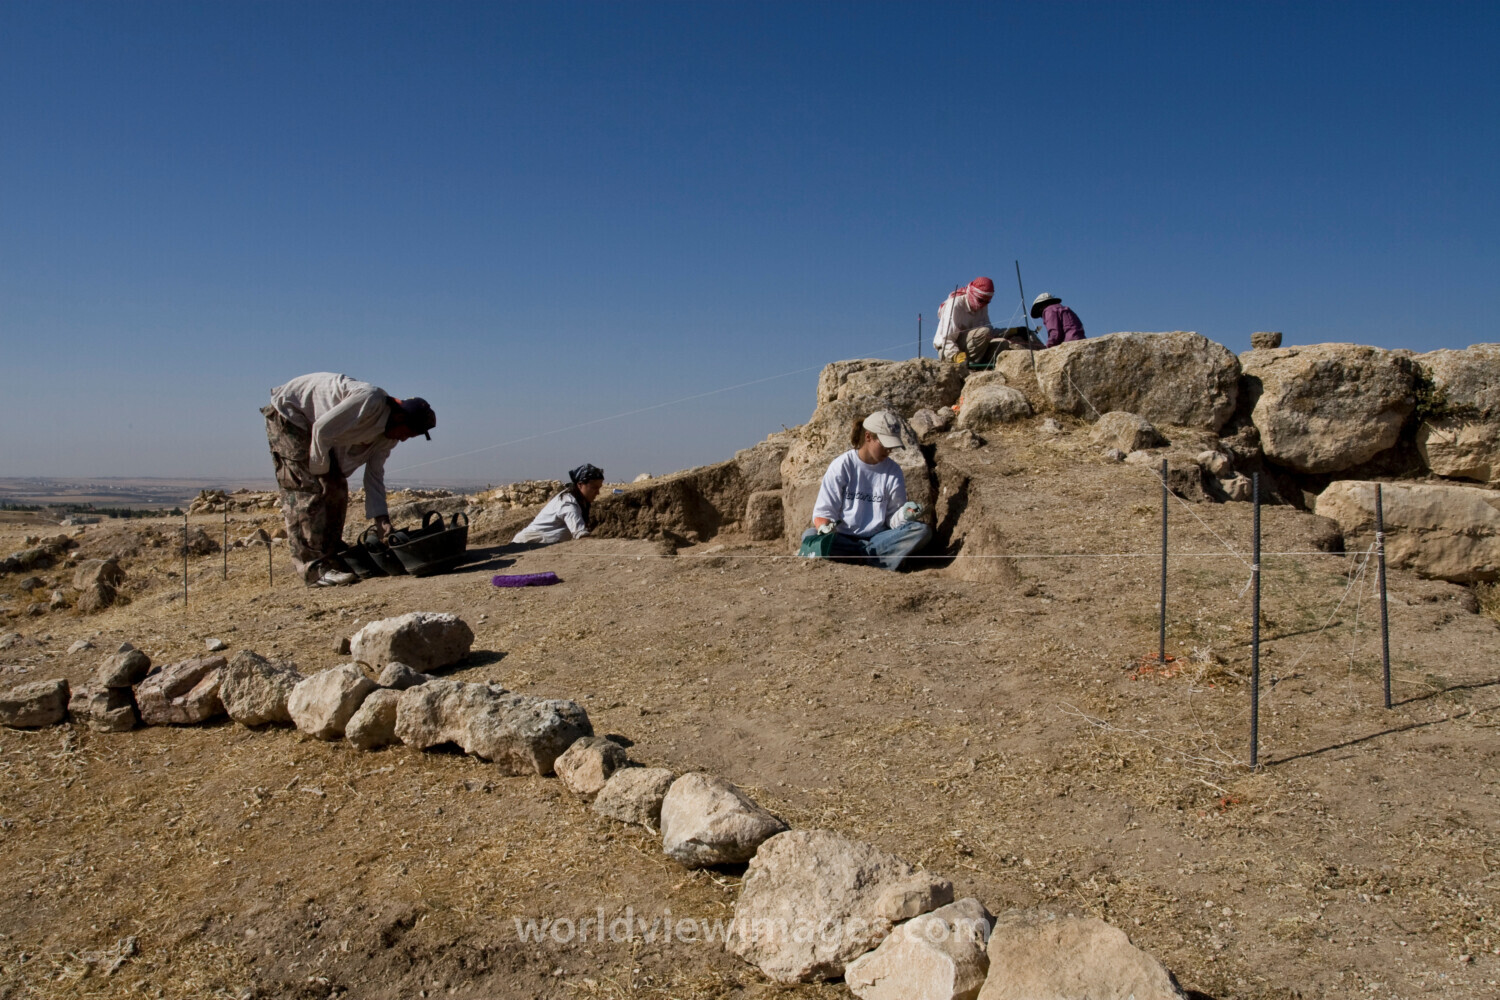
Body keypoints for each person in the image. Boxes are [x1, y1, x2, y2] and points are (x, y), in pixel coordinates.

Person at [262, 373, 435, 587]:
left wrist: (382, 522)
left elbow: (374, 477)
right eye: (407, 433)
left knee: (337, 488)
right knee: (307, 491)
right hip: (291, 413)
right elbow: (321, 429)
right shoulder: (369, 401)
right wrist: (322, 475)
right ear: (399, 418)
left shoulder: (388, 439)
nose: (404, 439)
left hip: (318, 432)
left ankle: (332, 555)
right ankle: (314, 569)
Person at [800, 411, 932, 571]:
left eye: (891, 446)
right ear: (868, 437)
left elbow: (892, 519)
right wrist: (824, 528)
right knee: (810, 535)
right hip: (843, 537)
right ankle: (876, 559)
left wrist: (905, 515)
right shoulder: (842, 465)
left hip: (877, 539)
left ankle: (857, 558)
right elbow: (824, 512)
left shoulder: (893, 471)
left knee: (920, 530)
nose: (888, 451)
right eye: (884, 444)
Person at [512, 464, 605, 545]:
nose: (598, 492)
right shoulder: (568, 504)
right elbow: (581, 535)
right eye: (594, 488)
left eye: (599, 488)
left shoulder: (580, 501)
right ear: (580, 485)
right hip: (526, 544)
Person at [932, 277, 997, 363]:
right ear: (973, 294)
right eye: (981, 300)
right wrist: (956, 355)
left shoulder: (982, 305)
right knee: (984, 332)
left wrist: (1008, 332)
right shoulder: (955, 304)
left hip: (970, 346)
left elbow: (989, 331)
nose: (983, 305)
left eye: (987, 302)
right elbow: (947, 339)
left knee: (1001, 342)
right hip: (948, 351)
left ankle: (976, 363)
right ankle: (969, 363)